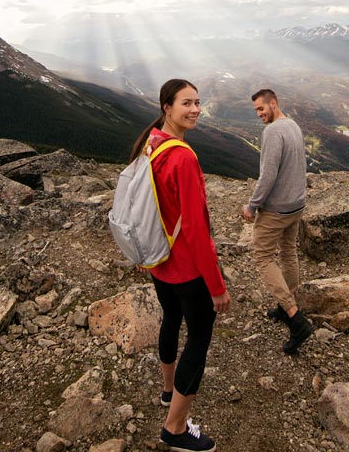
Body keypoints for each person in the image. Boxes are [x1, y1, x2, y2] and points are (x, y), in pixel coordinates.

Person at [130, 78, 230, 452]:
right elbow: (195, 229)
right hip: (186, 267)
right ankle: (174, 428)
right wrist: (216, 285)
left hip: (158, 261)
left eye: (198, 103)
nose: (195, 110)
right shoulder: (184, 157)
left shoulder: (150, 141)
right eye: (186, 103)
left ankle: (167, 390)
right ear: (167, 106)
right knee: (200, 337)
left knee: (171, 320)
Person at [242, 88, 313, 354]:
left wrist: (252, 205)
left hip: (277, 209)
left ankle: (295, 318)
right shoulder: (292, 125)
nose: (260, 114)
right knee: (288, 251)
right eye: (256, 111)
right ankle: (287, 305)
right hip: (296, 204)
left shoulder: (272, 132)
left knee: (262, 257)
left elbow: (268, 175)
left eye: (262, 108)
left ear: (273, 103)